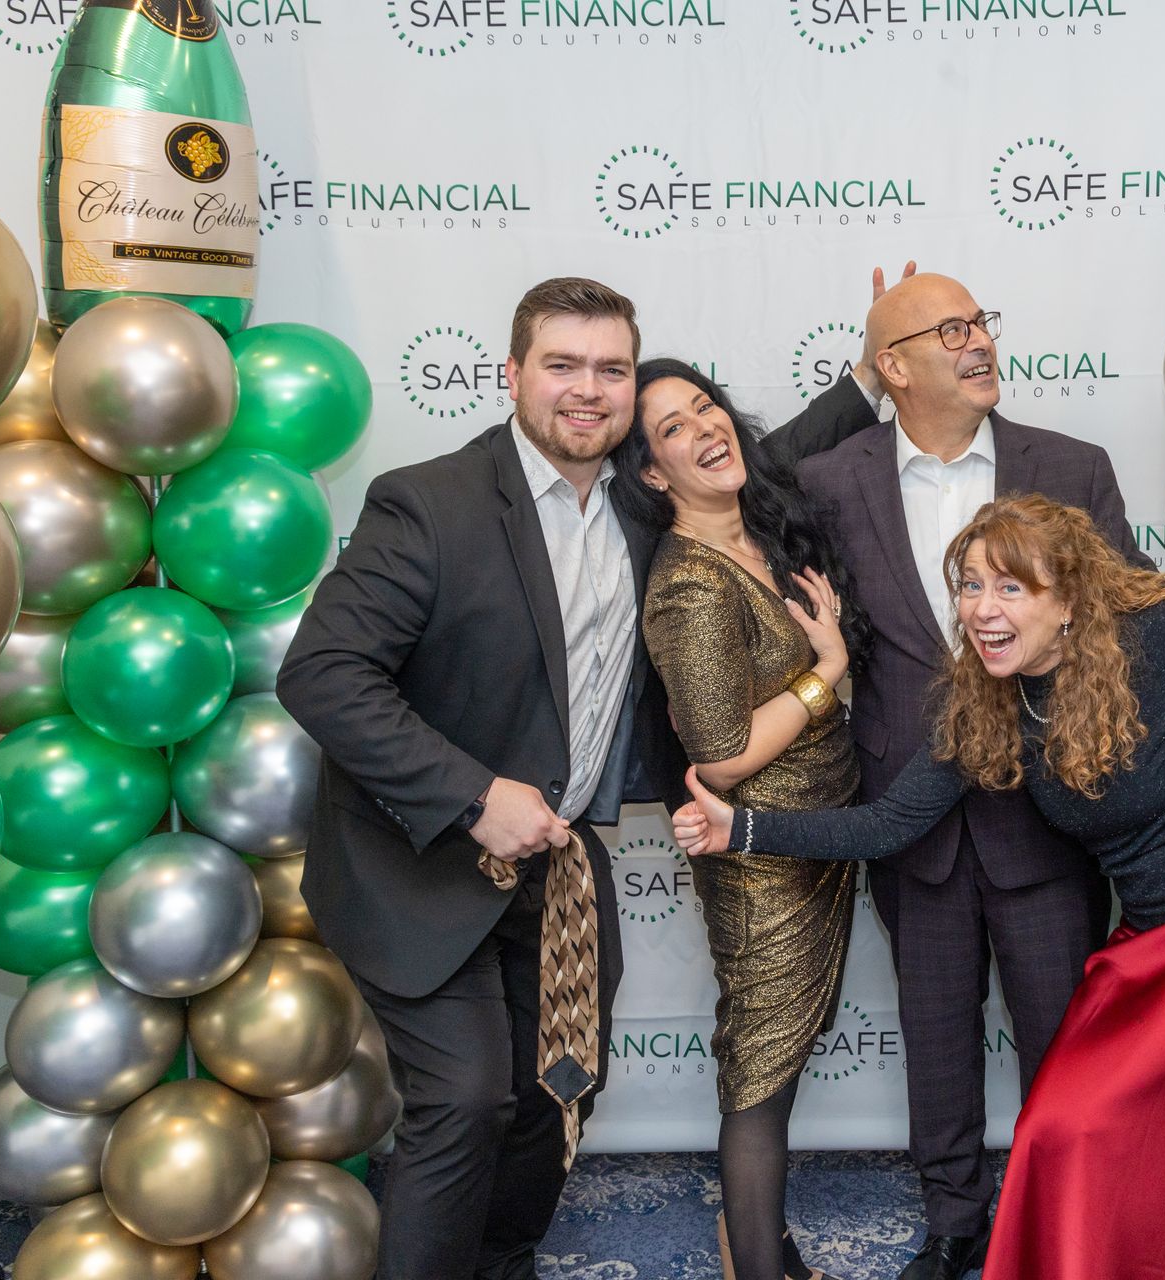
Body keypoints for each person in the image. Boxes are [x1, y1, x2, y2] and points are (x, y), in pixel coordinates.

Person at [276, 272, 897, 1280]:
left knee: (558, 1084)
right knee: (468, 1097)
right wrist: (476, 795)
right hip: (417, 860)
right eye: (562, 364)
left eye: (611, 368)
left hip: (558, 867)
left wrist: (867, 379)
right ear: (512, 374)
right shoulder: (429, 504)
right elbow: (323, 674)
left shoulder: (642, 500)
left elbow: (750, 458)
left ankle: (501, 1258)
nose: (589, 389)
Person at [672, 423, 1165, 1280]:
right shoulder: (984, 701)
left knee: (1111, 1126)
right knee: (1070, 1125)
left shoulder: (1157, 638)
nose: (981, 609)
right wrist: (736, 828)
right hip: (1153, 938)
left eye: (1010, 588)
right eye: (970, 587)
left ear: (1067, 599)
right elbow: (889, 825)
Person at [791, 273, 1165, 1279]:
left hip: (1051, 809)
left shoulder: (1067, 465)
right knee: (935, 1036)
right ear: (894, 366)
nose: (980, 343)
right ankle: (954, 1222)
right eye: (951, 330)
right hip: (912, 807)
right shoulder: (832, 478)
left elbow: (1145, 616)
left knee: (1068, 1039)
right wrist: (855, 383)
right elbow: (742, 474)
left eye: (982, 324)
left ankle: (1069, 1217)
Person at [611, 360, 873, 1280]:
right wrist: (824, 672)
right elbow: (720, 753)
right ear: (651, 472)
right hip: (757, 848)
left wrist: (869, 372)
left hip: (825, 833)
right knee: (760, 1073)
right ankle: (756, 1262)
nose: (703, 429)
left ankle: (762, 1244)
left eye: (706, 408)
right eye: (672, 430)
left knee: (787, 1050)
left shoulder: (762, 528)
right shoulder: (687, 584)